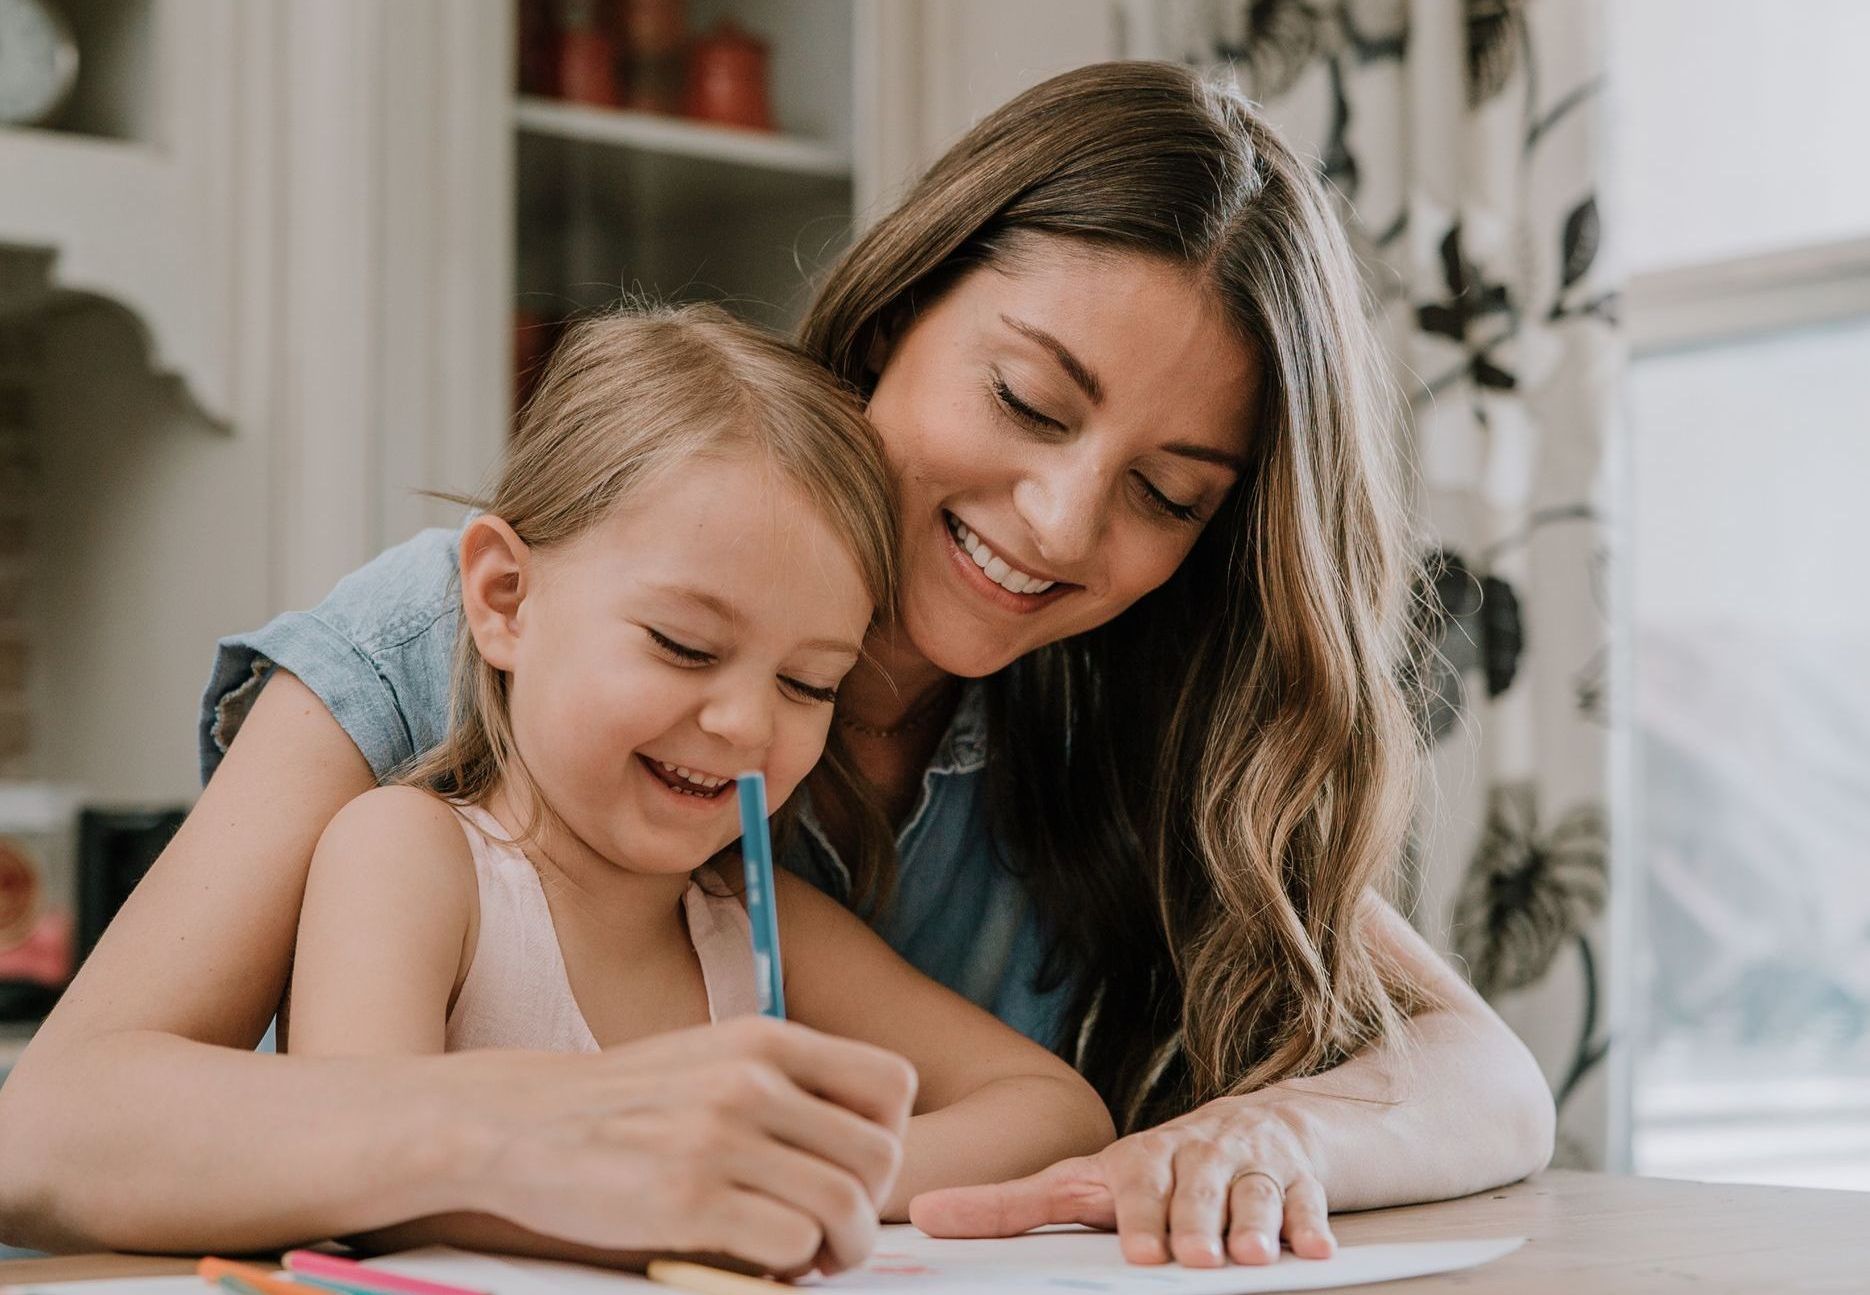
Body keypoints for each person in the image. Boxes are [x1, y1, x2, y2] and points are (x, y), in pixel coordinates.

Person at [0, 61, 1554, 1274]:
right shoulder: (466, 631)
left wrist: (1261, 1136)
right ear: (895, 310)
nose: (1064, 521)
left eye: (1169, 494)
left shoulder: (1129, 704)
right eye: (1024, 397)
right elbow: (52, 1127)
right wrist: (572, 1139)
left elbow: (1483, 1073)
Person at [282, 304, 1113, 1267]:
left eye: (809, 683)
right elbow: (355, 1165)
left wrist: (807, 1179)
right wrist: (657, 1198)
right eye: (685, 645)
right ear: (506, 596)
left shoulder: (758, 917)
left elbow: (1055, 1108)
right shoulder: (408, 857)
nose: (750, 725)